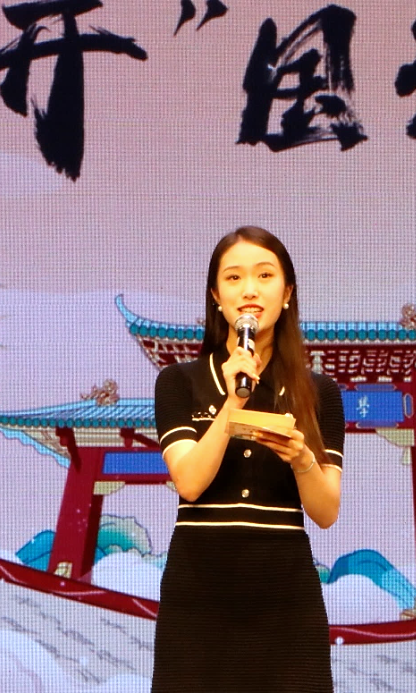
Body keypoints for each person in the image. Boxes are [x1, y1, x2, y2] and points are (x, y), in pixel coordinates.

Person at [151, 226, 345, 692]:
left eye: (265, 275)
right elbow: (189, 482)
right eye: (234, 278)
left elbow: (326, 511)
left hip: (285, 599)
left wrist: (302, 458)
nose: (250, 290)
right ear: (216, 296)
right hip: (198, 596)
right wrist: (233, 402)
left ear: (288, 293)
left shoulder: (319, 392)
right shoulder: (178, 382)